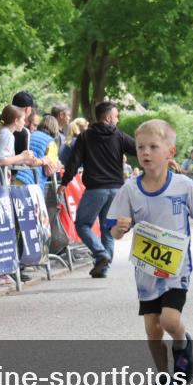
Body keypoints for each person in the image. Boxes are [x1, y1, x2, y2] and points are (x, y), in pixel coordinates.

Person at [106, 119, 193, 385]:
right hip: (146, 272)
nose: (145, 152)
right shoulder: (130, 189)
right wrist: (119, 228)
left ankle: (182, 342)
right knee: (152, 329)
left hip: (176, 269)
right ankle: (163, 377)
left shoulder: (183, 185)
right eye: (141, 147)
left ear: (170, 151)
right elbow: (114, 229)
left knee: (170, 320)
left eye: (153, 146)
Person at [60, 100, 137, 278]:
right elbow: (138, 149)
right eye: (116, 116)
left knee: (82, 224)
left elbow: (74, 161)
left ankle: (100, 254)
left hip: (96, 189)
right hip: (116, 189)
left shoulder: (86, 136)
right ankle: (102, 268)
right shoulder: (119, 136)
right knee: (107, 229)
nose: (117, 120)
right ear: (109, 118)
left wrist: (65, 182)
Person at [0, 104, 38, 171]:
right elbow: (0, 160)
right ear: (16, 121)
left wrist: (24, 160)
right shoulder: (7, 135)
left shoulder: (0, 132)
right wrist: (22, 156)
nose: (24, 123)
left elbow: (7, 160)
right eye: (23, 119)